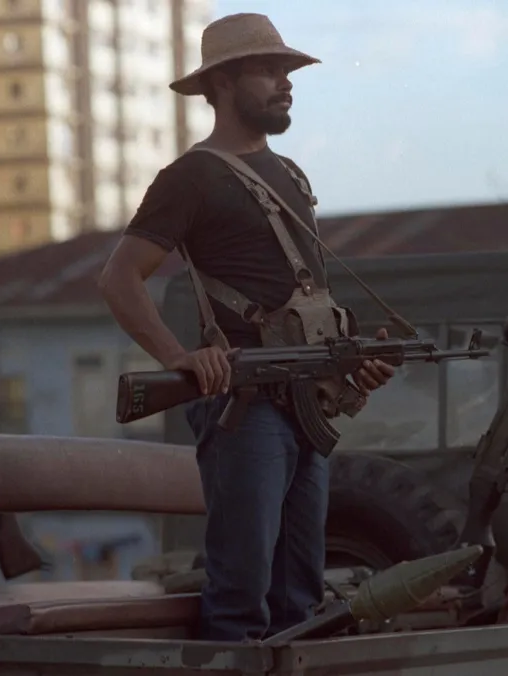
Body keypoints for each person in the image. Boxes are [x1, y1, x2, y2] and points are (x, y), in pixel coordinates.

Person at [97, 13, 397, 641]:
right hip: (244, 404)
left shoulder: (292, 176)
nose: (285, 83)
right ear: (222, 83)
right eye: (268, 70)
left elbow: (304, 298)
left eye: (287, 72)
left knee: (301, 598)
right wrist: (177, 356)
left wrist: (351, 368)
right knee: (241, 597)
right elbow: (120, 278)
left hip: (305, 402)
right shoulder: (191, 177)